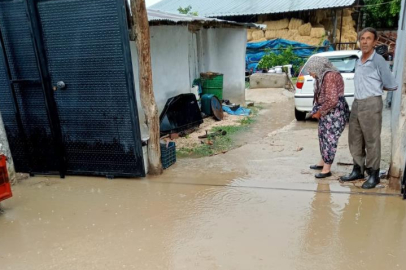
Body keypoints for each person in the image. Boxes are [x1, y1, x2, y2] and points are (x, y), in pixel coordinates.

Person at [340, 27, 398, 189]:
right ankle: (358, 169)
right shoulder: (359, 59)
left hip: (372, 103)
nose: (364, 41)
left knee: (372, 140)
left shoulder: (378, 60)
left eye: (368, 38)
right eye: (362, 38)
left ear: (375, 42)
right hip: (357, 103)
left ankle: (373, 174)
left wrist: (375, 90)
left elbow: (391, 84)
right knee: (355, 138)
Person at [308, 56, 350, 178]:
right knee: (323, 136)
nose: (310, 74)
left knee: (330, 139)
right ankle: (323, 162)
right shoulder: (324, 75)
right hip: (328, 111)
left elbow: (332, 100)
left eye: (311, 71)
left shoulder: (330, 76)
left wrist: (319, 112)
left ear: (317, 67)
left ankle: (327, 169)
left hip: (334, 112)